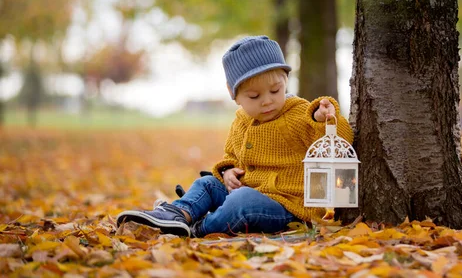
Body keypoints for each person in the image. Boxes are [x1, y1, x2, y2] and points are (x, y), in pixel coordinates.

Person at [116, 35, 353, 237]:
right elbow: (231, 155)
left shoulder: (299, 114)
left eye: (275, 90)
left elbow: (342, 140)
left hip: (288, 205)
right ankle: (178, 213)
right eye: (254, 96)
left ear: (286, 81)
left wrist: (323, 119)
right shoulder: (241, 121)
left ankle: (198, 228)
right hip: (247, 190)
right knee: (207, 183)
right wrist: (228, 171)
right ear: (234, 94)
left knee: (242, 203)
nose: (267, 100)